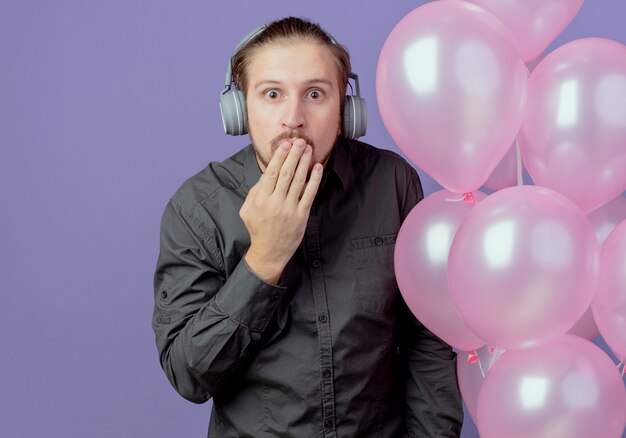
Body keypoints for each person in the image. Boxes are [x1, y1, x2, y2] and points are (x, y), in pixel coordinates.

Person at [152, 16, 463, 437]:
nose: (293, 117)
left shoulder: (392, 183)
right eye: (272, 94)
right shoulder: (196, 209)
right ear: (240, 110)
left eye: (315, 93)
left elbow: (427, 338)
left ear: (345, 111)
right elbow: (189, 375)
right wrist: (265, 258)